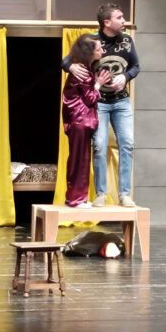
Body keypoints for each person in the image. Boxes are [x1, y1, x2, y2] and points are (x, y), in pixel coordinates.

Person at [62, 2, 139, 207]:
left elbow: (136, 66)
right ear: (107, 22)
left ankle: (124, 194)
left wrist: (125, 77)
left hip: (121, 100)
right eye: (119, 17)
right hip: (99, 103)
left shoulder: (127, 40)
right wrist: (71, 67)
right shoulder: (92, 41)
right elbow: (65, 61)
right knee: (99, 145)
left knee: (127, 144)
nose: (124, 21)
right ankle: (101, 193)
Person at [62, 34, 111, 208]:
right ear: (89, 52)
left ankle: (78, 197)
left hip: (80, 120)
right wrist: (98, 84)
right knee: (79, 161)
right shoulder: (83, 72)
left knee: (80, 160)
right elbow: (90, 98)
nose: (102, 51)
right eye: (98, 49)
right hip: (80, 120)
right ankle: (76, 199)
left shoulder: (84, 69)